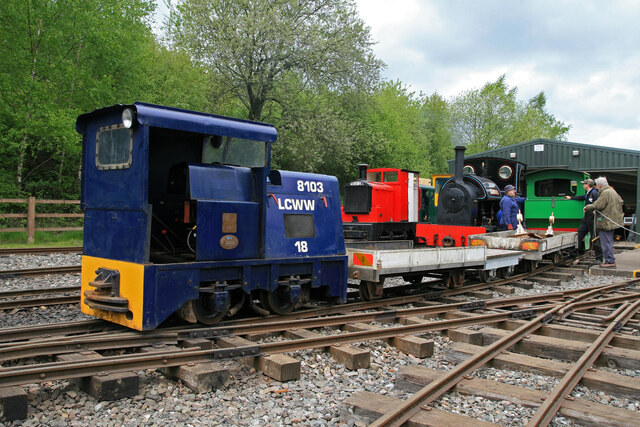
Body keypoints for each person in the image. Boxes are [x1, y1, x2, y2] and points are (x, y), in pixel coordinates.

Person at [584, 176, 624, 268]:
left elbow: (598, 205)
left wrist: (587, 207)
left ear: (600, 186)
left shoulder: (605, 193)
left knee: (605, 242)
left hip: (606, 222)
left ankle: (610, 261)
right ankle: (610, 260)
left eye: (597, 186)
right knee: (609, 241)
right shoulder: (613, 191)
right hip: (612, 221)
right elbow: (621, 201)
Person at [565, 178, 602, 261]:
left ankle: (599, 257)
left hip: (592, 219)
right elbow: (582, 197)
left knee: (595, 238)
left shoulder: (594, 193)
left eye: (584, 184)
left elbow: (597, 204)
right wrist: (571, 198)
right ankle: (576, 252)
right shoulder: (589, 193)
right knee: (579, 235)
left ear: (587, 185)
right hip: (586, 218)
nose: (583, 185)